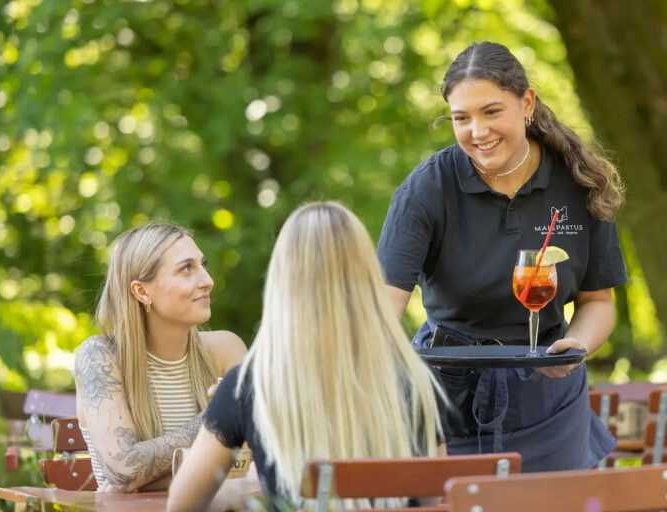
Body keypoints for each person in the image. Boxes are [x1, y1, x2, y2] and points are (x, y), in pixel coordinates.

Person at [377, 41, 627, 472]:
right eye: (461, 118)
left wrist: (576, 348)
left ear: (526, 103)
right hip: (445, 401)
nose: (478, 131)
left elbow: (598, 303)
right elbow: (381, 308)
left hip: (548, 401)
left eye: (491, 112)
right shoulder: (427, 189)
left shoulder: (580, 183)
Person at [167, 202, 449, 511]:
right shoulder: (414, 379)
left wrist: (242, 492)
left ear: (283, 280)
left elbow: (182, 504)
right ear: (367, 275)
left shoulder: (251, 383)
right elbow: (433, 501)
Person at [73, 222, 247, 492]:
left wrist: (152, 477)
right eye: (186, 268)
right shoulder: (99, 358)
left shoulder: (226, 349)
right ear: (142, 292)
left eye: (203, 265)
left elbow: (251, 462)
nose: (208, 281)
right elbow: (124, 471)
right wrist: (219, 418)